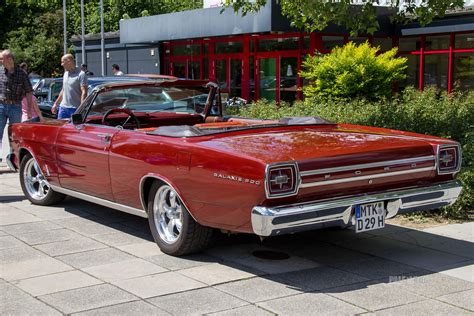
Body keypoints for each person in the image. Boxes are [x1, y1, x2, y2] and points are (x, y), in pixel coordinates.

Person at [0, 50, 41, 160]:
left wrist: (28, 109)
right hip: (1, 106)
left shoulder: (21, 73)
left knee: (14, 135)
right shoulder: (0, 72)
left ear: (9, 59)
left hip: (15, 107)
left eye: (1, 59)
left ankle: (13, 160)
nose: (0, 61)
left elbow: (28, 91)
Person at [52, 54, 88, 119]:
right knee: (61, 128)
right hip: (63, 108)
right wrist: (56, 104)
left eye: (63, 62)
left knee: (75, 128)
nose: (61, 64)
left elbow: (84, 92)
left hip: (75, 109)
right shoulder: (65, 74)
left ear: (69, 61)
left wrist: (81, 108)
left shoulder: (81, 74)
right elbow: (63, 90)